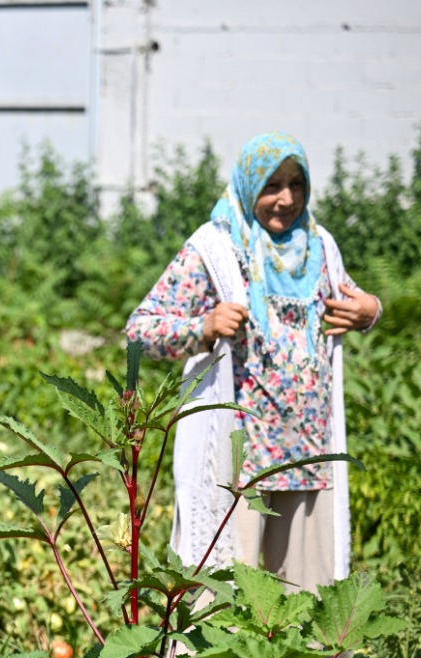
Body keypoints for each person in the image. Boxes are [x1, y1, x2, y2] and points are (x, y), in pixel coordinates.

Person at [125, 132, 382, 595]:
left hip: (308, 456)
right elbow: (140, 330)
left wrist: (370, 312)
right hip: (239, 463)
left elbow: (354, 303)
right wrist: (202, 327)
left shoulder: (320, 248)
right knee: (224, 607)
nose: (285, 199)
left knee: (311, 610)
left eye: (296, 184)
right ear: (247, 186)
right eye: (271, 186)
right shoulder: (215, 248)